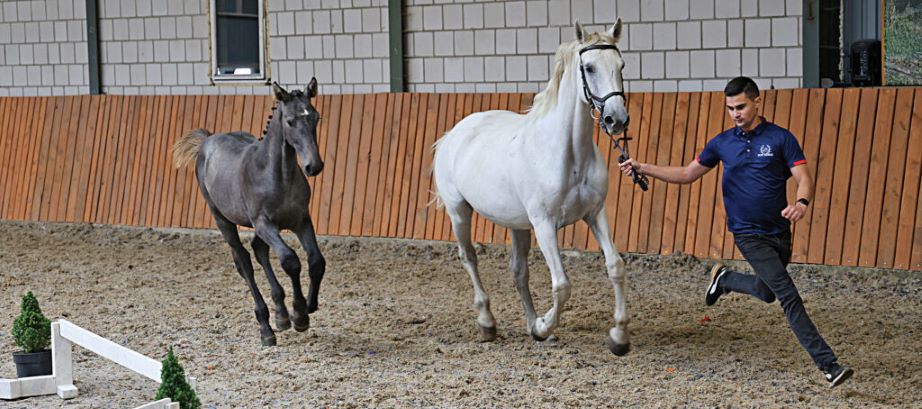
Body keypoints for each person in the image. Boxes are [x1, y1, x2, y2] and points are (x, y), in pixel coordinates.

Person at [618, 76, 853, 388]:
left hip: (779, 232)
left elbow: (804, 177)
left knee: (767, 291)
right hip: (748, 235)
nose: (736, 113)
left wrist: (802, 202)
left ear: (758, 102)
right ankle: (828, 365)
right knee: (787, 295)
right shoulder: (722, 143)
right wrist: (643, 167)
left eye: (741, 106)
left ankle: (725, 279)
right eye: (730, 108)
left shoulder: (782, 139)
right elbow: (688, 174)